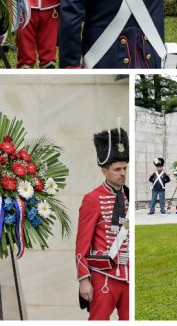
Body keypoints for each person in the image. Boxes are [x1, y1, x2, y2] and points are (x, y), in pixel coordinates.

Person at [76, 127, 129, 320]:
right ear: (104, 171)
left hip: (129, 275)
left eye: (124, 168)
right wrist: (83, 279)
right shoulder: (92, 199)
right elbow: (82, 243)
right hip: (103, 275)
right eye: (117, 169)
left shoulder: (129, 196)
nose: (122, 173)